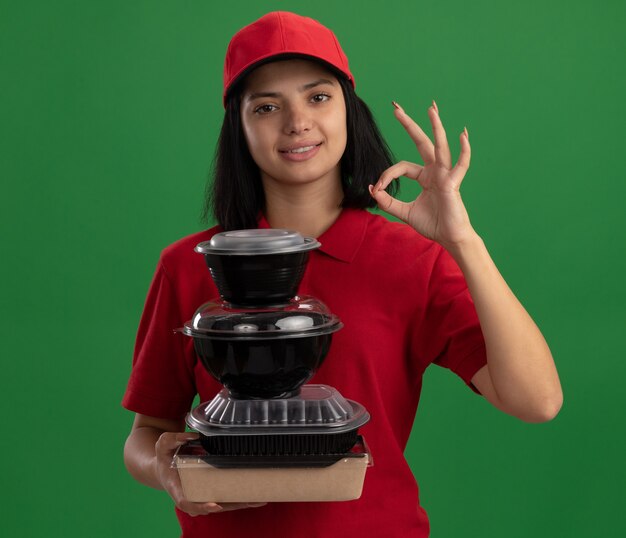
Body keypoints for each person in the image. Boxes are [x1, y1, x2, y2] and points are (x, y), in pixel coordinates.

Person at [122, 11, 562, 538]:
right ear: (237, 129)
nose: (297, 122)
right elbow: (146, 435)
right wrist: (168, 471)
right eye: (266, 106)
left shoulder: (412, 259)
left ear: (349, 111)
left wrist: (462, 241)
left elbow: (537, 401)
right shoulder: (190, 264)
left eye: (318, 97)